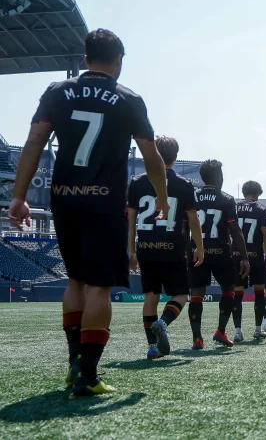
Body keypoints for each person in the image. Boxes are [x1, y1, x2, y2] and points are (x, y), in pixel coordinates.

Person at [9, 29, 168, 396]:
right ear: (119, 61)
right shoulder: (128, 98)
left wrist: (19, 196)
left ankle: (73, 363)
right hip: (104, 202)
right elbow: (151, 155)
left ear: (85, 60)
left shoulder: (55, 91)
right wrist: (161, 197)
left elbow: (34, 141)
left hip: (64, 198)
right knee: (98, 287)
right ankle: (88, 374)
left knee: (75, 282)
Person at [127, 137, 205, 359]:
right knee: (180, 294)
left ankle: (152, 347)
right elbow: (193, 219)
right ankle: (163, 322)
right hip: (174, 247)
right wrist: (199, 246)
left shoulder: (136, 182)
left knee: (151, 296)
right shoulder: (183, 184)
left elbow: (131, 220)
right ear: (176, 156)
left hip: (146, 247)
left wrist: (131, 251)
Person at [188, 160, 250, 349]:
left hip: (197, 251)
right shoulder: (226, 198)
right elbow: (235, 230)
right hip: (221, 250)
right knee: (229, 289)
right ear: (218, 177)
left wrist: (186, 251)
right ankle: (220, 331)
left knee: (197, 293)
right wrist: (245, 257)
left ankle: (197, 338)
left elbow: (185, 227)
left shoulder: (192, 197)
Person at [231, 181, 266, 342]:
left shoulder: (234, 207)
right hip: (255, 255)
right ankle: (257, 329)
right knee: (259, 292)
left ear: (244, 193)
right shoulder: (261, 208)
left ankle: (237, 332)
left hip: (236, 254)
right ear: (258, 193)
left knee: (237, 292)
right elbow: (265, 233)